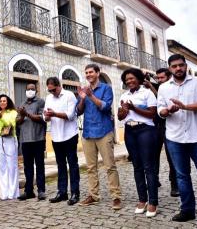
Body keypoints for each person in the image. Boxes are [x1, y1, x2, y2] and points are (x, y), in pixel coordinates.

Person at [158, 54, 197, 228]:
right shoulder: (163, 88)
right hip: (175, 138)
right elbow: (160, 110)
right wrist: (167, 111)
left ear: (185, 66)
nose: (178, 69)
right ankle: (187, 210)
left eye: (181, 65)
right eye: (174, 66)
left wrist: (184, 106)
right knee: (182, 177)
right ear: (169, 68)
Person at [76, 64, 122, 210]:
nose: (88, 74)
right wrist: (82, 98)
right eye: (86, 72)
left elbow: (105, 107)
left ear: (97, 73)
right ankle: (93, 195)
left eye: (91, 72)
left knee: (110, 166)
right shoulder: (84, 90)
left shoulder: (106, 88)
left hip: (104, 131)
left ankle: (116, 197)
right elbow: (79, 111)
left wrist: (90, 95)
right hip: (88, 132)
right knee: (90, 167)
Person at [117, 68, 158, 217]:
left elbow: (152, 113)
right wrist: (124, 110)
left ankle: (153, 201)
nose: (129, 81)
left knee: (149, 166)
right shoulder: (124, 95)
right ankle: (142, 199)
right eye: (127, 79)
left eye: (132, 78)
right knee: (137, 166)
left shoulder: (147, 93)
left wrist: (134, 108)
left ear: (139, 78)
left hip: (145, 130)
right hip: (130, 131)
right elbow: (120, 117)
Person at [44, 77, 80, 206]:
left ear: (59, 86)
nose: (52, 92)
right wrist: (47, 116)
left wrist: (54, 114)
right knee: (60, 165)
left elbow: (71, 115)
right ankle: (62, 192)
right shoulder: (49, 98)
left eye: (53, 90)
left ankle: (75, 193)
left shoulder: (69, 95)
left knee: (73, 165)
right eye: (49, 90)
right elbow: (45, 117)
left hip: (70, 135)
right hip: (56, 136)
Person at [144, 68, 179, 197]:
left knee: (171, 157)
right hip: (154, 126)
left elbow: (163, 102)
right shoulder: (156, 86)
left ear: (169, 77)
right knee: (153, 156)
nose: (159, 80)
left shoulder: (171, 88)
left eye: (161, 78)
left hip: (168, 126)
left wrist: (152, 88)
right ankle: (154, 180)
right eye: (157, 78)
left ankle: (174, 185)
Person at [16, 83, 47, 201]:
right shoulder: (22, 104)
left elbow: (41, 118)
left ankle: (41, 190)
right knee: (27, 167)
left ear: (36, 90)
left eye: (32, 89)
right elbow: (17, 122)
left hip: (38, 139)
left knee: (39, 166)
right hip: (25, 140)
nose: (30, 91)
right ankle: (29, 191)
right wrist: (22, 116)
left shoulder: (40, 102)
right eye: (28, 89)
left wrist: (27, 114)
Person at [0, 94, 19, 200]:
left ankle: (13, 193)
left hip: (10, 139)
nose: (2, 102)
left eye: (4, 101)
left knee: (12, 166)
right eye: (0, 101)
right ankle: (4, 193)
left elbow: (11, 124)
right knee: (2, 167)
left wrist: (1, 118)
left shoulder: (13, 112)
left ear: (8, 102)